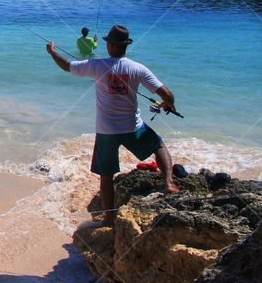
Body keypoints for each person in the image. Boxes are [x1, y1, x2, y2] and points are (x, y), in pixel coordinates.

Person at [46, 24, 179, 226]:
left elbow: (67, 66)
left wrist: (52, 52)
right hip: (133, 127)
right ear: (125, 46)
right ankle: (168, 182)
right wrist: (168, 104)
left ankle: (109, 218)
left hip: (106, 130)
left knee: (106, 176)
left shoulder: (97, 66)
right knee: (158, 145)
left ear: (110, 46)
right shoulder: (137, 68)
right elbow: (167, 94)